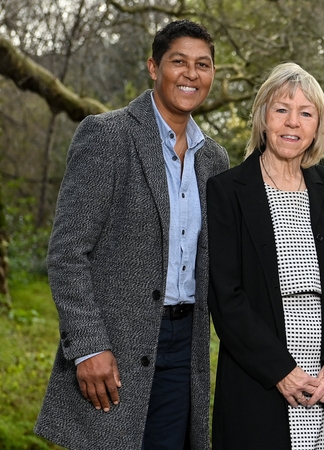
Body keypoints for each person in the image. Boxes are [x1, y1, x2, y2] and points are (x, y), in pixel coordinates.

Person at [35, 20, 229, 450]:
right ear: (153, 67)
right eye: (179, 62)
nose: (191, 74)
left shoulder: (213, 159)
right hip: (114, 345)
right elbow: (68, 254)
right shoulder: (108, 136)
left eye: (203, 64)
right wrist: (87, 347)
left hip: (185, 350)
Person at [206, 62, 324, 450]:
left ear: (318, 126)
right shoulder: (227, 190)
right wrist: (280, 370)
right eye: (281, 109)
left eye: (306, 113)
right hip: (259, 371)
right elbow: (226, 296)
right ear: (263, 118)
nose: (293, 122)